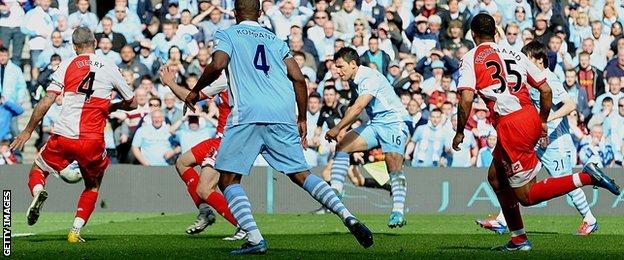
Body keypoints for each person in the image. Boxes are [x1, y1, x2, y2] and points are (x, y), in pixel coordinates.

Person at [182, 0, 372, 255]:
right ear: (260, 13)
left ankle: (254, 238)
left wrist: (194, 91)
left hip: (248, 114)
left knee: (227, 180)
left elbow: (217, 65)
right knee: (302, 174)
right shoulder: (275, 40)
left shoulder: (228, 34)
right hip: (282, 115)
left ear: (236, 13)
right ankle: (347, 216)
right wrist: (302, 118)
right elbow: (298, 77)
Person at [452, 14, 620, 251]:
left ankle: (586, 177)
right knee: (496, 177)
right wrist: (541, 121)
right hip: (530, 116)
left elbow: (466, 97)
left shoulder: (471, 58)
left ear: (472, 34)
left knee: (527, 196)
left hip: (512, 126)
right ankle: (518, 239)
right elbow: (545, 89)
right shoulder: (515, 54)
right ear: (496, 34)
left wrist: (460, 131)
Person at [10, 27, 137, 243]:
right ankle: (75, 231)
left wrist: (27, 130)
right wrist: (112, 107)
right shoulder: (110, 66)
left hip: (64, 135)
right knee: (93, 185)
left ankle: (39, 190)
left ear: (74, 46)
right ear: (95, 43)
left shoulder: (67, 64)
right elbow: (132, 102)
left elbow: (48, 100)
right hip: (93, 139)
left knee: (39, 168)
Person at [476, 41, 599, 236]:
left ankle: (589, 219)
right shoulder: (530, 78)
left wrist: (546, 117)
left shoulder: (550, 78)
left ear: (540, 60)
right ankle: (502, 220)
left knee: (563, 180)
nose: (524, 62)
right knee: (516, 178)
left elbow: (569, 105)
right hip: (536, 140)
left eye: (528, 58)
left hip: (555, 141)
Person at [327, 47, 411, 228]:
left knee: (393, 165)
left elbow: (359, 107)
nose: (338, 71)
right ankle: (335, 190)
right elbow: (353, 105)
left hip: (395, 122)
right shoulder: (354, 79)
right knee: (343, 145)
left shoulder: (369, 77)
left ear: (353, 64)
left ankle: (398, 211)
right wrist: (344, 128)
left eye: (341, 67)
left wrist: (338, 127)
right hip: (376, 123)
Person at [160, 66, 245, 240]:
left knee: (205, 189)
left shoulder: (228, 77)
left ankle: (244, 225)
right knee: (182, 163)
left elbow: (191, 96)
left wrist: (170, 83)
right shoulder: (244, 76)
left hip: (227, 139)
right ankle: (205, 211)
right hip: (222, 136)